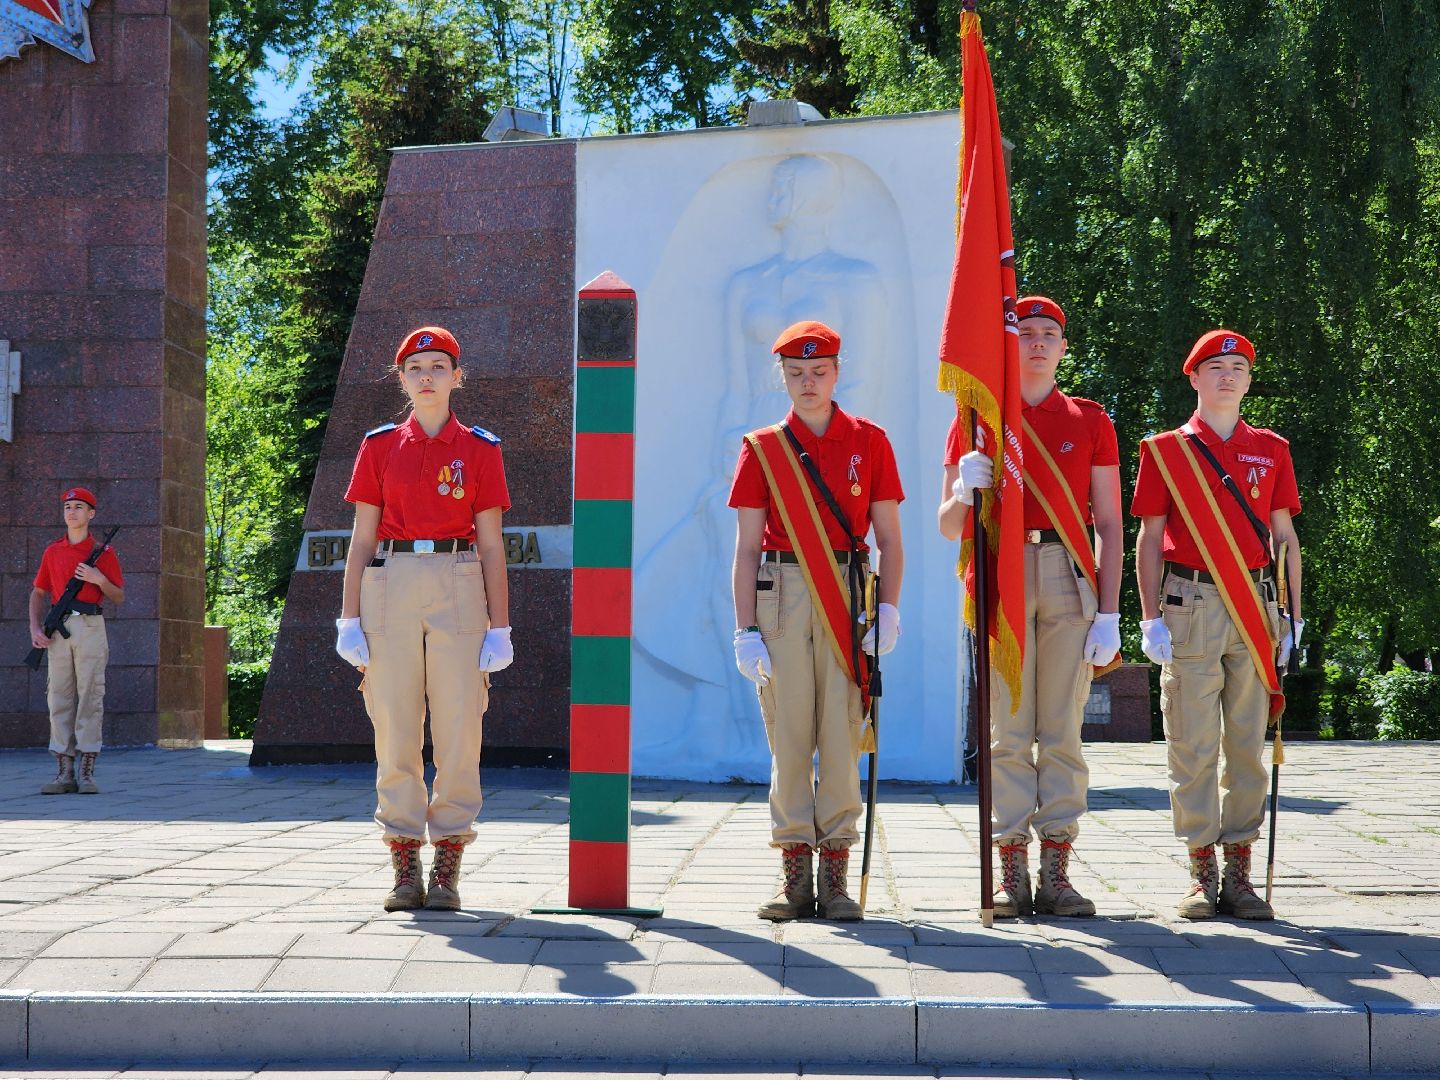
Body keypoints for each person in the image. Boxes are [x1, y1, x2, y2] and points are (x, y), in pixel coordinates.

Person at [938, 297, 1123, 918]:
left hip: (1068, 577)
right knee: (1008, 732)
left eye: (1050, 334)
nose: (1037, 343)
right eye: (1025, 333)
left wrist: (1110, 610)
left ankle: (1057, 871)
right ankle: (1010, 869)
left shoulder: (1090, 418)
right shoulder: (978, 418)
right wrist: (965, 488)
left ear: (1065, 347)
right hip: (1004, 573)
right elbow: (946, 527)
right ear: (1006, 344)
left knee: (1062, 732)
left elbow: (1109, 522)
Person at [728, 320, 905, 921]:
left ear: (837, 371)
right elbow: (747, 548)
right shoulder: (762, 449)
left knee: (841, 735)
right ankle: (793, 878)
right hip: (780, 593)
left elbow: (890, 540)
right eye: (796, 373)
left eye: (819, 371)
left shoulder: (870, 441)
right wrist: (745, 627)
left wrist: (888, 609)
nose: (809, 383)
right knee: (790, 739)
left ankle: (835, 876)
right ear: (782, 376)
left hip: (847, 595)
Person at [334, 327, 514, 913]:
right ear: (402, 378)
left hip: (459, 579)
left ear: (458, 376)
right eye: (416, 368)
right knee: (394, 726)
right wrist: (348, 617)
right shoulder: (381, 446)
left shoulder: (481, 448)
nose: (428, 376)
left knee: (462, 726)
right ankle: (405, 863)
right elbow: (361, 539)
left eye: (439, 366)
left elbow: (491, 546)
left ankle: (449, 866)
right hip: (390, 582)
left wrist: (500, 625)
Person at [1132, 329, 1302, 921]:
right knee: (1193, 744)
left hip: (1256, 606)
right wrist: (1149, 617)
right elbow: (1149, 538)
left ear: (1249, 380)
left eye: (1238, 367)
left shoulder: (1272, 448)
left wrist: (1294, 617)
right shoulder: (1165, 451)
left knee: (1249, 747)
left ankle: (1240, 874)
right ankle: (1202, 872)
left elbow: (1284, 537)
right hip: (1191, 601)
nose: (1228, 375)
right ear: (1194, 377)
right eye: (1216, 366)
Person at [30, 487, 124, 795]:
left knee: (90, 695)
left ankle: (86, 770)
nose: (72, 512)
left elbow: (118, 596)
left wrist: (98, 579)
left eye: (79, 507)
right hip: (59, 630)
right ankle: (64, 770)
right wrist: (35, 628)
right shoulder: (52, 551)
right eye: (68, 506)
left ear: (91, 514)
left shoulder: (103, 553)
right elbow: (39, 592)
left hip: (90, 625)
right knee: (58, 697)